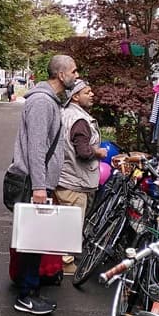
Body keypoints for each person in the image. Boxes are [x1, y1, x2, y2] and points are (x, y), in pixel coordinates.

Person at [10, 55, 79, 315]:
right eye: (74, 71)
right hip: (33, 184)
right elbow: (36, 148)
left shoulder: (47, 101)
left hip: (36, 182)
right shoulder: (41, 102)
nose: (77, 75)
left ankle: (30, 290)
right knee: (32, 241)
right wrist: (40, 186)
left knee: (34, 240)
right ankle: (26, 295)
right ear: (61, 75)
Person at [54, 79, 108, 218]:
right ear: (75, 97)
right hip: (74, 185)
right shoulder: (80, 120)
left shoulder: (63, 113)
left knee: (59, 228)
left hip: (62, 179)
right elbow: (83, 152)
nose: (92, 94)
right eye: (87, 92)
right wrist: (98, 152)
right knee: (71, 233)